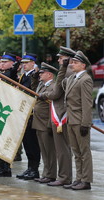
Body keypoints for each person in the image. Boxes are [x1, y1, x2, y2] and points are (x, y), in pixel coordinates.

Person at [39, 46, 76, 187]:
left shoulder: (67, 72)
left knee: (63, 149)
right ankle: (63, 176)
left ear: (68, 59)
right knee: (61, 149)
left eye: (61, 58)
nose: (59, 60)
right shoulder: (66, 71)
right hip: (59, 113)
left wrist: (43, 95)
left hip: (62, 114)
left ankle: (64, 177)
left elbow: (55, 94)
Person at [58, 51, 93, 190]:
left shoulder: (86, 79)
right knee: (76, 152)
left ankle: (86, 180)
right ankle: (79, 178)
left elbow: (87, 104)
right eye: (72, 62)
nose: (72, 64)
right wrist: (63, 67)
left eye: (75, 62)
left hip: (80, 121)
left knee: (84, 152)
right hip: (71, 120)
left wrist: (85, 123)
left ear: (83, 65)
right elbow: (60, 83)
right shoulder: (72, 78)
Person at [31, 62, 58, 184]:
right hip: (38, 122)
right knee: (44, 150)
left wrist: (49, 124)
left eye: (42, 73)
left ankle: (51, 175)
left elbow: (52, 108)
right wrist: (34, 76)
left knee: (49, 151)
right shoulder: (42, 85)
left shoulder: (53, 86)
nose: (40, 75)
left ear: (49, 74)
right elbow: (33, 86)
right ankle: (46, 174)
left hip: (46, 123)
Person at [16, 53, 41, 180]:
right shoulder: (22, 77)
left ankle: (34, 169)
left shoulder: (35, 76)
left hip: (31, 114)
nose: (24, 65)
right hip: (23, 113)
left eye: (26, 63)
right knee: (26, 143)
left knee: (33, 143)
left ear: (33, 63)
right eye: (23, 63)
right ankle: (30, 168)